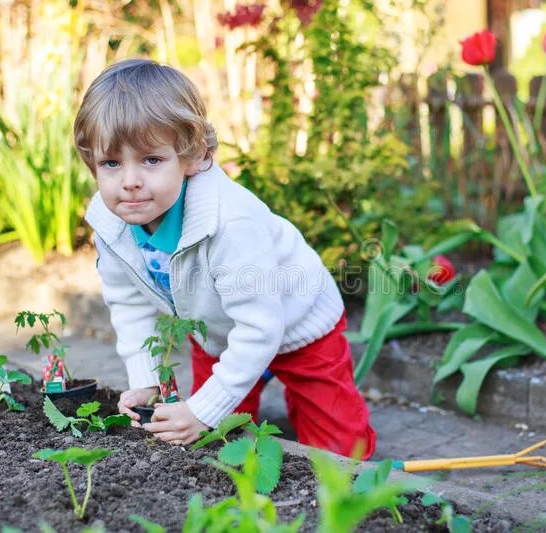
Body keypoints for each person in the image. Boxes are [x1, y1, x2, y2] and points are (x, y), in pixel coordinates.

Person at [73, 58, 376, 459]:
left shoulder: (230, 221)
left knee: (342, 456)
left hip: (297, 326)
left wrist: (200, 409)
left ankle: (305, 400)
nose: (129, 181)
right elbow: (128, 303)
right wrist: (145, 380)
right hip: (219, 335)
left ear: (194, 155)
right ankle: (249, 390)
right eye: (111, 163)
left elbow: (261, 329)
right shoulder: (112, 225)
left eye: (151, 160)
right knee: (215, 445)